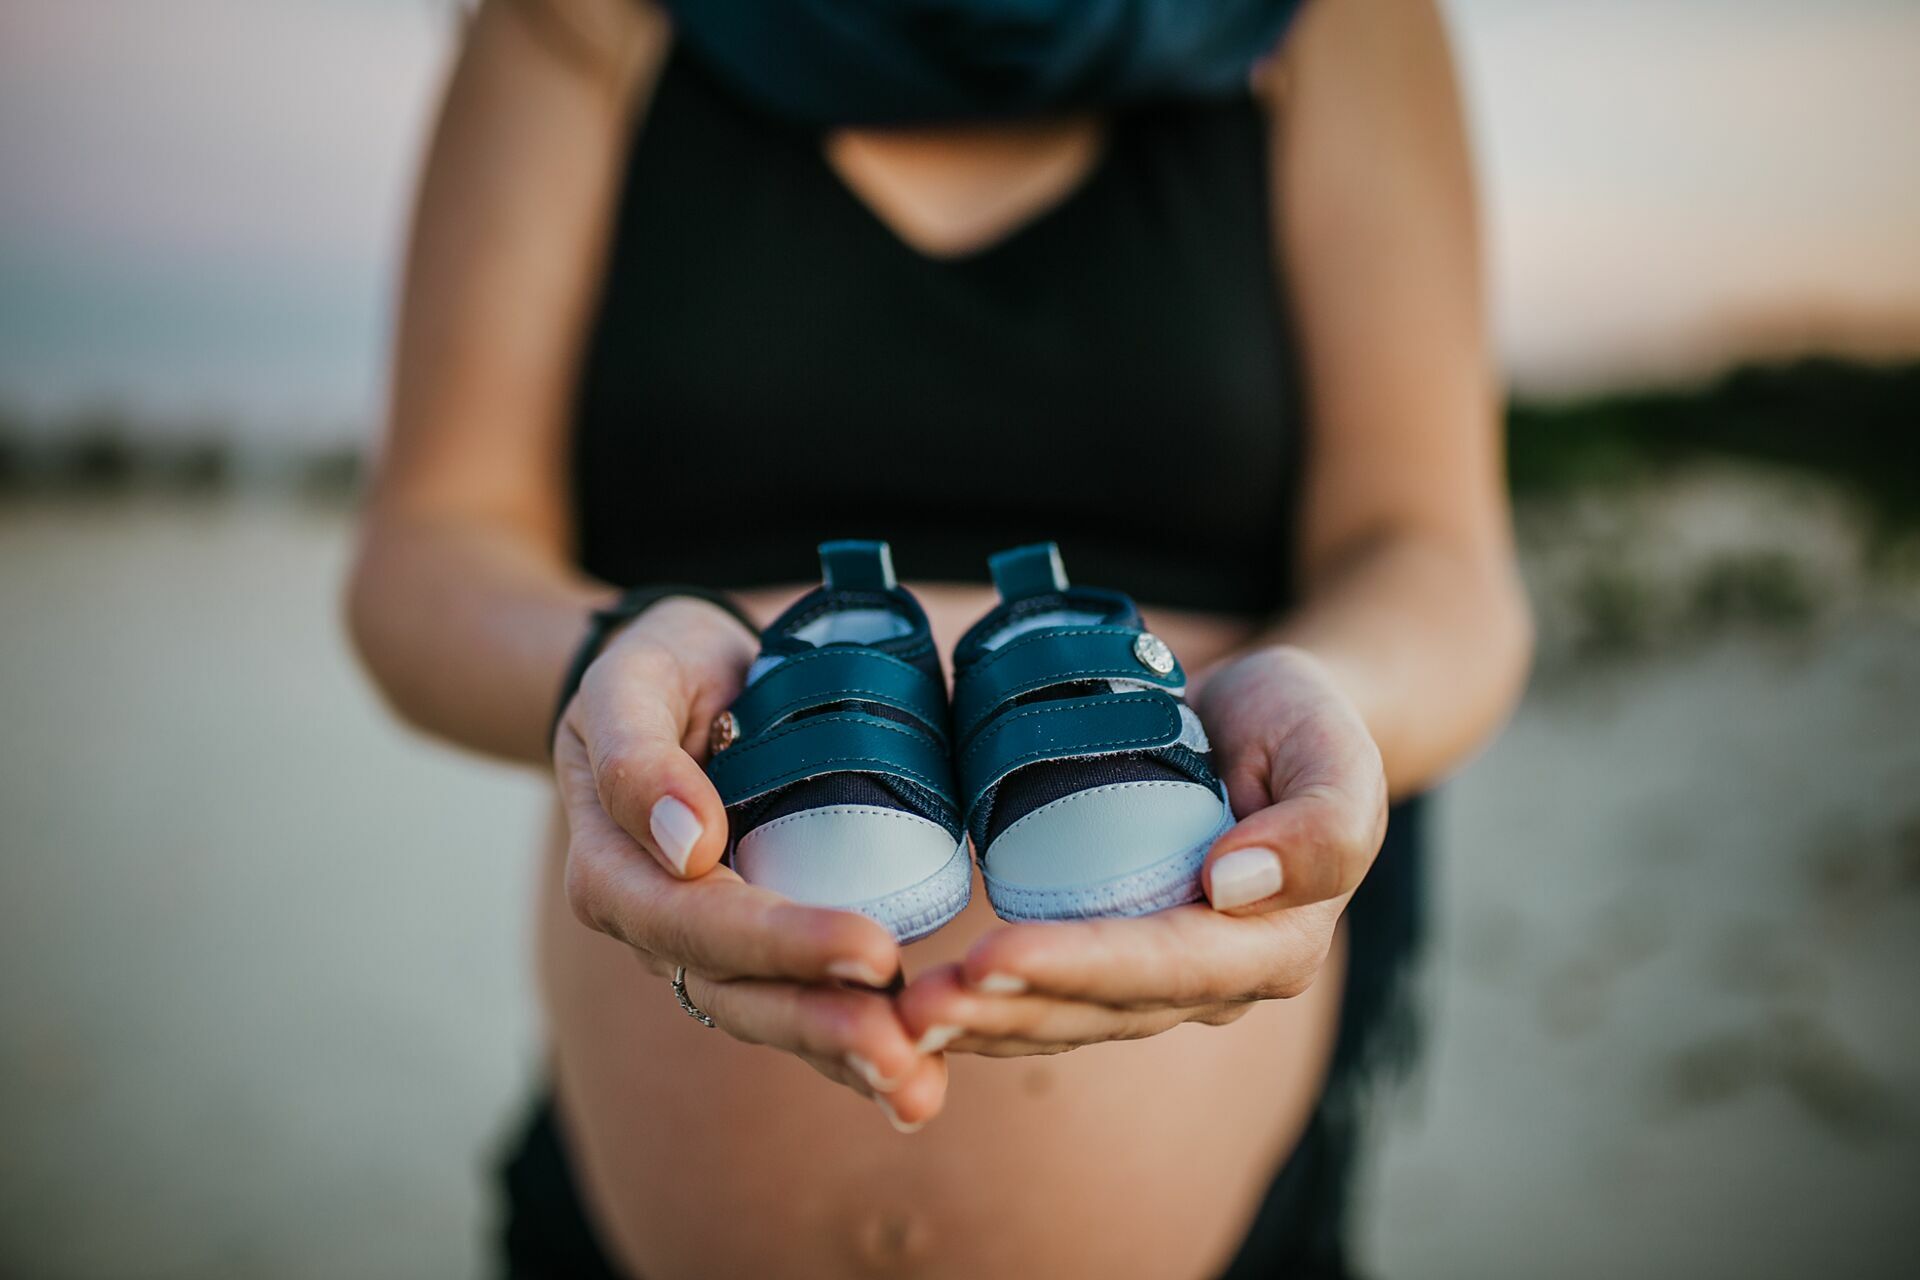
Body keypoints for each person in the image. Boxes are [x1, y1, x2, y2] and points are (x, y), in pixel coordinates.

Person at [346, 0, 1532, 1274]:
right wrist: (606, 670)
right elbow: (427, 550)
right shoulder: (577, 21)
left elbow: (1437, 560)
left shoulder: (1331, 23)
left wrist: (1328, 707)